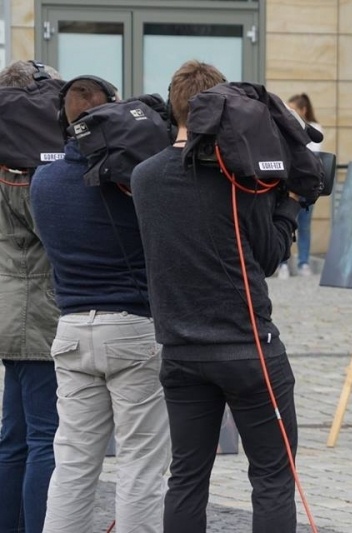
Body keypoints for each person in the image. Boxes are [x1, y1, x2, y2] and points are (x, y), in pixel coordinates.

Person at [131, 60, 301, 533]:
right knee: (272, 477)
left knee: (186, 477)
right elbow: (268, 256)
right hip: (248, 349)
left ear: (174, 109)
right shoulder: (239, 177)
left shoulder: (144, 177)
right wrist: (289, 204)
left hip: (181, 353)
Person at [29, 75, 170, 533]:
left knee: (72, 462)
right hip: (133, 326)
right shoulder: (134, 181)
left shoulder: (44, 181)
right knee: (141, 463)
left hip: (71, 330)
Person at [0, 60, 61, 533]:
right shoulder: (29, 173)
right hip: (38, 313)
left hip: (10, 312)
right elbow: (54, 238)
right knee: (44, 437)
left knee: (14, 438)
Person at [277, 92, 324, 279]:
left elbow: (308, 154)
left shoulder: (314, 128)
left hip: (306, 184)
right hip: (289, 183)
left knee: (304, 226)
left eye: (293, 110)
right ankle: (283, 264)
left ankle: (303, 262)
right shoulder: (284, 128)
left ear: (303, 110)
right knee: (284, 223)